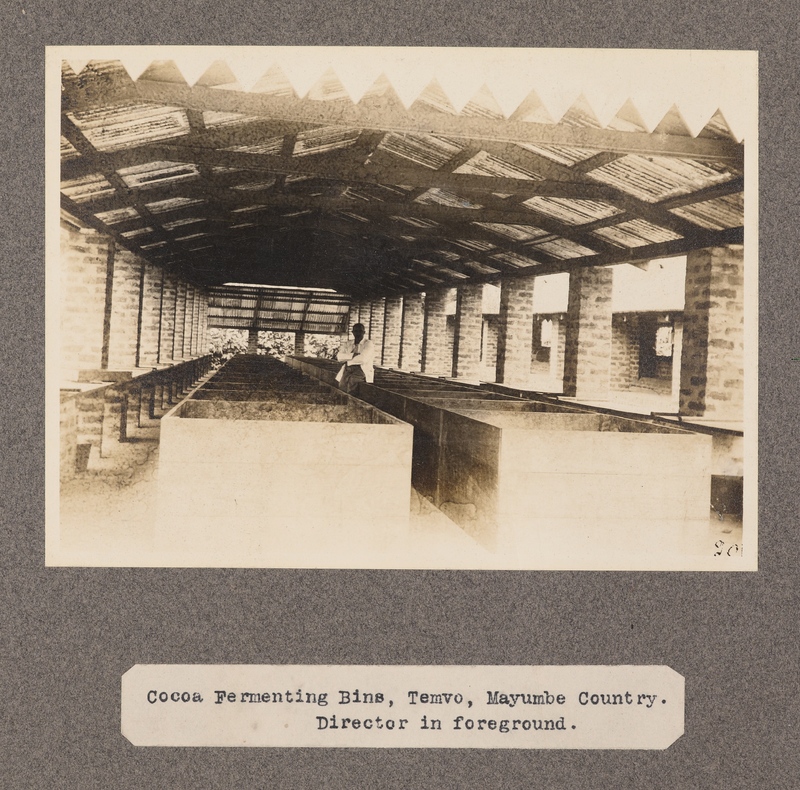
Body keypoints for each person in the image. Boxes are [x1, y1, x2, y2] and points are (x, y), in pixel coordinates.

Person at [335, 323, 375, 393]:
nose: (358, 333)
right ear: (353, 332)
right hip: (348, 369)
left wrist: (347, 360)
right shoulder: (348, 343)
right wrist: (353, 355)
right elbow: (339, 357)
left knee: (352, 384)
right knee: (342, 385)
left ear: (364, 332)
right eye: (356, 331)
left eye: (360, 331)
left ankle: (351, 401)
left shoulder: (368, 343)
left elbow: (363, 359)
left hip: (361, 369)